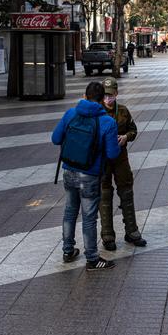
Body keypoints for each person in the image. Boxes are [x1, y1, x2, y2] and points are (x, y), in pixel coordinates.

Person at [52, 82, 121, 269]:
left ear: (85, 95)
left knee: (70, 211)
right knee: (89, 217)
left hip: (69, 170)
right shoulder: (107, 121)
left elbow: (55, 138)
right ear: (101, 99)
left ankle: (68, 250)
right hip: (90, 174)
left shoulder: (70, 114)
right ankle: (92, 258)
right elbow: (112, 154)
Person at [99, 77, 147, 251]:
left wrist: (126, 137)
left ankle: (132, 231)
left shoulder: (124, 111)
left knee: (126, 192)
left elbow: (133, 130)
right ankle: (107, 235)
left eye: (110, 95)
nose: (108, 98)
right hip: (103, 159)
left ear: (116, 94)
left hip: (121, 157)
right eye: (105, 95)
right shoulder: (97, 112)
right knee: (104, 195)